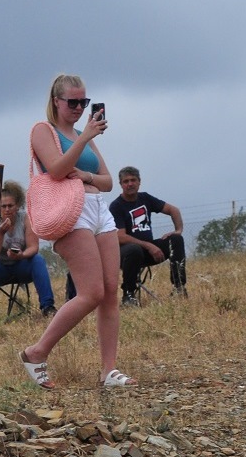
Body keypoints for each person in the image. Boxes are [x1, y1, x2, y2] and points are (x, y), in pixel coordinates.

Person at [20, 74, 133, 389]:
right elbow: (56, 169)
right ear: (56, 101)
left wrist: (86, 174)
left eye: (84, 101)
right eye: (73, 102)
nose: (79, 108)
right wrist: (84, 141)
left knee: (110, 290)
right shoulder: (43, 130)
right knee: (91, 292)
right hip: (71, 211)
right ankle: (36, 351)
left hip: (99, 209)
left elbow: (107, 181)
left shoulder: (85, 133)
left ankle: (109, 370)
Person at [109, 166, 187, 304]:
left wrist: (178, 230)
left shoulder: (145, 198)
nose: (130, 184)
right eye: (126, 181)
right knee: (134, 249)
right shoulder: (116, 206)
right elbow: (120, 236)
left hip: (150, 252)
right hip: (127, 254)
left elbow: (173, 210)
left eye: (133, 180)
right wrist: (148, 245)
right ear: (120, 184)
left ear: (139, 182)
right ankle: (128, 295)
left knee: (176, 240)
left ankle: (179, 287)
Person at [0, 181, 58, 322]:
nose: (7, 209)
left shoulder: (25, 219)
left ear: (17, 206)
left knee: (38, 260)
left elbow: (33, 247)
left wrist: (21, 255)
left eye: (10, 206)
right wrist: (0, 233)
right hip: (1, 267)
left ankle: (48, 307)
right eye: (3, 206)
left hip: (21, 265)